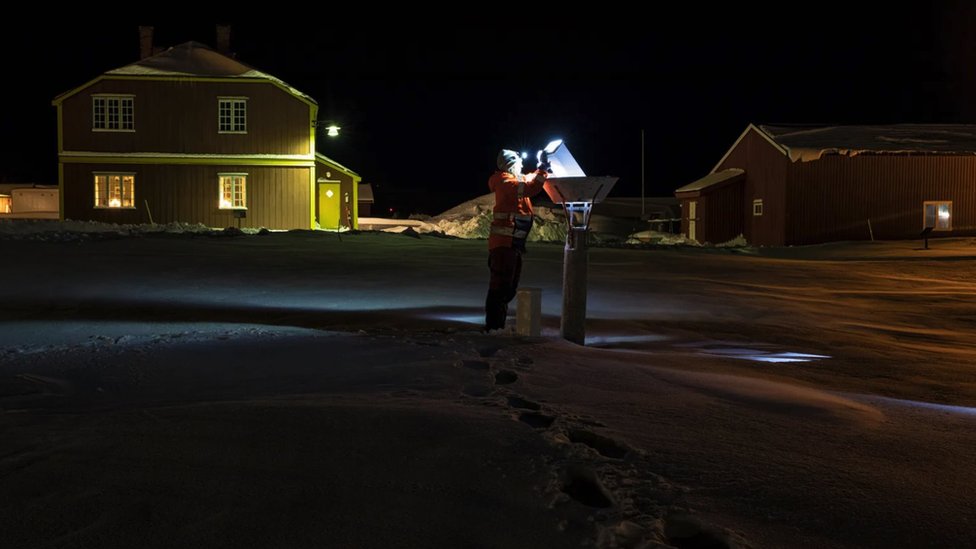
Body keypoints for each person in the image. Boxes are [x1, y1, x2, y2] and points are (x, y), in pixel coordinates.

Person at [484, 148, 549, 331]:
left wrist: (540, 169)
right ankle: (494, 327)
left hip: (512, 245)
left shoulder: (513, 180)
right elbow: (530, 187)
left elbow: (528, 180)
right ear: (510, 165)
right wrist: (542, 170)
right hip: (504, 245)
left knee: (508, 287)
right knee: (500, 287)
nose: (521, 166)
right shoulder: (504, 181)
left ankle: (497, 326)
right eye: (518, 163)